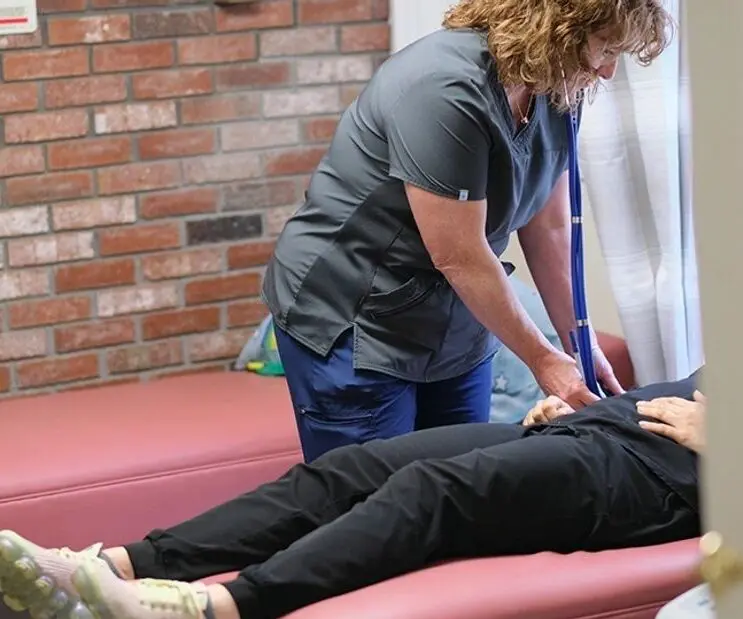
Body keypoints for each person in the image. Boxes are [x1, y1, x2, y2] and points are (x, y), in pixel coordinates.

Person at [261, 0, 674, 462]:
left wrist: (579, 342)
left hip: (454, 319)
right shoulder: (444, 88)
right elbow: (459, 254)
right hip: (354, 318)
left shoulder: (555, 86)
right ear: (558, 28)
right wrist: (541, 359)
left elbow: (550, 226)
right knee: (375, 505)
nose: (607, 73)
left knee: (459, 490)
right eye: (603, 50)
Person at [0, 373, 705, 619]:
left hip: (668, 477)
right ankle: (120, 567)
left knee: (438, 490)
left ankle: (219, 605)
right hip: (607, 425)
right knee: (351, 467)